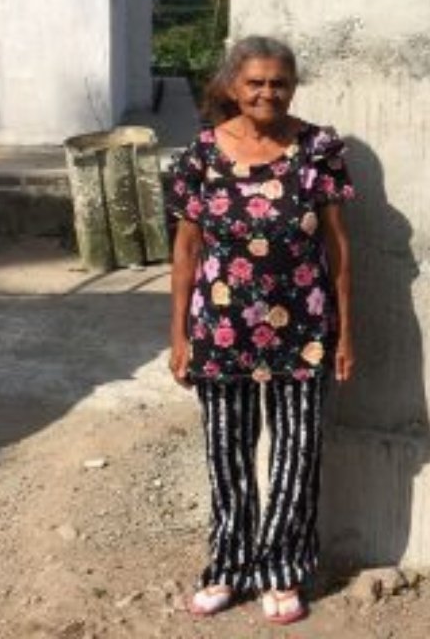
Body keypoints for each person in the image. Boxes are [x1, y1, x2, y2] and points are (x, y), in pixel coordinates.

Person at [166, 35, 354, 624]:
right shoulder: (200, 155)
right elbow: (186, 252)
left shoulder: (318, 149)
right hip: (221, 331)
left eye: (279, 82)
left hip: (304, 328)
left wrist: (347, 333)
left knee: (297, 455)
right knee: (227, 452)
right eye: (255, 82)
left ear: (292, 86)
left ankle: (281, 569)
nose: (267, 92)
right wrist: (178, 336)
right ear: (232, 87)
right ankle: (228, 565)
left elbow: (339, 250)